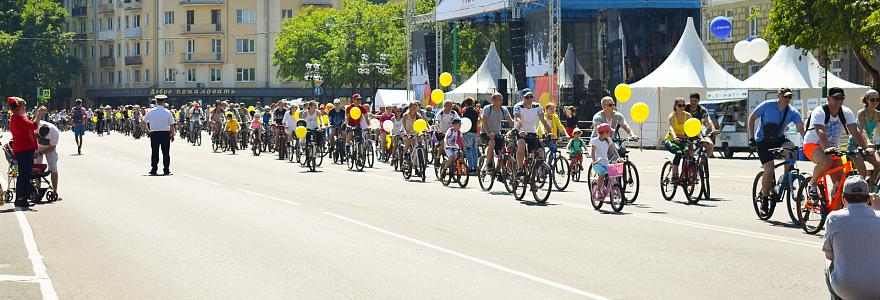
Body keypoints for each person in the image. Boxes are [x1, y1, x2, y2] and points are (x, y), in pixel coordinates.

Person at [803, 87, 871, 200]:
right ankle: (812, 183)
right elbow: (820, 132)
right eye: (836, 98)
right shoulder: (820, 111)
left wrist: (865, 148)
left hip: (833, 148)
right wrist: (827, 150)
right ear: (828, 98)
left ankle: (835, 204)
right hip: (813, 144)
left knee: (840, 183)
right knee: (827, 160)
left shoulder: (845, 112)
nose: (839, 101)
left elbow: (855, 131)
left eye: (841, 98)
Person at [747, 88, 806, 210]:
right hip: (762, 140)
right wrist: (752, 138)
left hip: (778, 138)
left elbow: (800, 127)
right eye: (785, 97)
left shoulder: (792, 112)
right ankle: (764, 198)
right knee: (769, 169)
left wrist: (807, 142)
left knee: (792, 150)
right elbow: (752, 118)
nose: (787, 99)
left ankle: (785, 178)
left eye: (789, 97)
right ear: (779, 96)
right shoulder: (767, 105)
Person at [822, 176, 880, 300]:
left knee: (828, 264)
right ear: (868, 199)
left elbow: (829, 256)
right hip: (877, 290)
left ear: (843, 199)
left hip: (845, 290)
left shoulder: (833, 218)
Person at [8, 97, 46, 209]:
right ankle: (21, 199)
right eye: (23, 106)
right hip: (24, 149)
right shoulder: (18, 118)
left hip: (23, 149)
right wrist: (39, 114)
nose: (24, 108)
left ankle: (21, 198)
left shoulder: (17, 118)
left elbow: (29, 125)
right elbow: (34, 126)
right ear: (19, 107)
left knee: (24, 174)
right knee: (25, 175)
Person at [513, 90, 553, 173]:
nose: (529, 99)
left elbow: (543, 120)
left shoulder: (537, 106)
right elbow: (518, 119)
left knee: (540, 152)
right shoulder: (518, 106)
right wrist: (520, 130)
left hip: (532, 133)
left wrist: (550, 132)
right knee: (521, 144)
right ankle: (520, 169)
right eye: (527, 97)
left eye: (531, 96)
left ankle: (536, 174)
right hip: (521, 131)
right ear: (522, 98)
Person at [848, 89, 880, 187]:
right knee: (862, 171)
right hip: (855, 144)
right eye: (872, 100)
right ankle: (860, 192)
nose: (875, 102)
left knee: (879, 165)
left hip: (867, 145)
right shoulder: (861, 112)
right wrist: (868, 143)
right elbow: (862, 130)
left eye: (877, 99)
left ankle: (869, 187)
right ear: (866, 100)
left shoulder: (878, 114)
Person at [142, 95, 176, 176]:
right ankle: (166, 170)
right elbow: (172, 124)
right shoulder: (167, 112)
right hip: (165, 133)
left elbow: (143, 122)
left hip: (154, 133)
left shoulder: (150, 111)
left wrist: (148, 131)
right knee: (166, 153)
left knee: (154, 152)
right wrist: (172, 134)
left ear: (156, 101)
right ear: (164, 101)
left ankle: (154, 169)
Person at [480, 93, 513, 170]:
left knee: (501, 152)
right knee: (492, 143)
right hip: (485, 133)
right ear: (494, 101)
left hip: (497, 134)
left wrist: (514, 128)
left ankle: (499, 171)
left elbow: (510, 121)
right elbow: (484, 121)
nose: (502, 101)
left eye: (502, 99)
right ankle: (488, 164)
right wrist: (488, 133)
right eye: (500, 99)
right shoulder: (487, 108)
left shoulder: (503, 109)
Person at [665, 98, 692, 179]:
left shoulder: (688, 116)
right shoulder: (672, 116)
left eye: (684, 105)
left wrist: (701, 138)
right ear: (675, 106)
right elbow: (671, 128)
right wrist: (675, 137)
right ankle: (674, 175)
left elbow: (693, 127)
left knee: (687, 153)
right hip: (671, 140)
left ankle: (685, 176)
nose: (682, 107)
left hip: (682, 140)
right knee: (679, 152)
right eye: (680, 105)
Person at [591, 123, 620, 194]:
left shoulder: (608, 139)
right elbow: (592, 152)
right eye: (608, 132)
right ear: (603, 132)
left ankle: (614, 188)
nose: (610, 133)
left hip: (605, 162)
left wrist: (619, 158)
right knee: (602, 173)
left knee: (615, 172)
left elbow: (613, 150)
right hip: (597, 163)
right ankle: (598, 191)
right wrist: (594, 160)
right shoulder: (595, 140)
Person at [35, 121, 61, 200]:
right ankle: (37, 190)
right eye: (40, 135)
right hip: (37, 146)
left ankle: (54, 191)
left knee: (53, 167)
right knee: (36, 168)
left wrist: (41, 153)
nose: (42, 138)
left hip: (49, 148)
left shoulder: (54, 133)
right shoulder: (37, 125)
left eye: (44, 136)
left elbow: (52, 147)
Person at [461, 98, 480, 171]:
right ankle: (476, 166)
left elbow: (465, 122)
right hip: (474, 132)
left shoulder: (466, 112)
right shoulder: (476, 111)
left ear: (466, 104)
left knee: (468, 149)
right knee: (475, 150)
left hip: (467, 132)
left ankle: (470, 167)